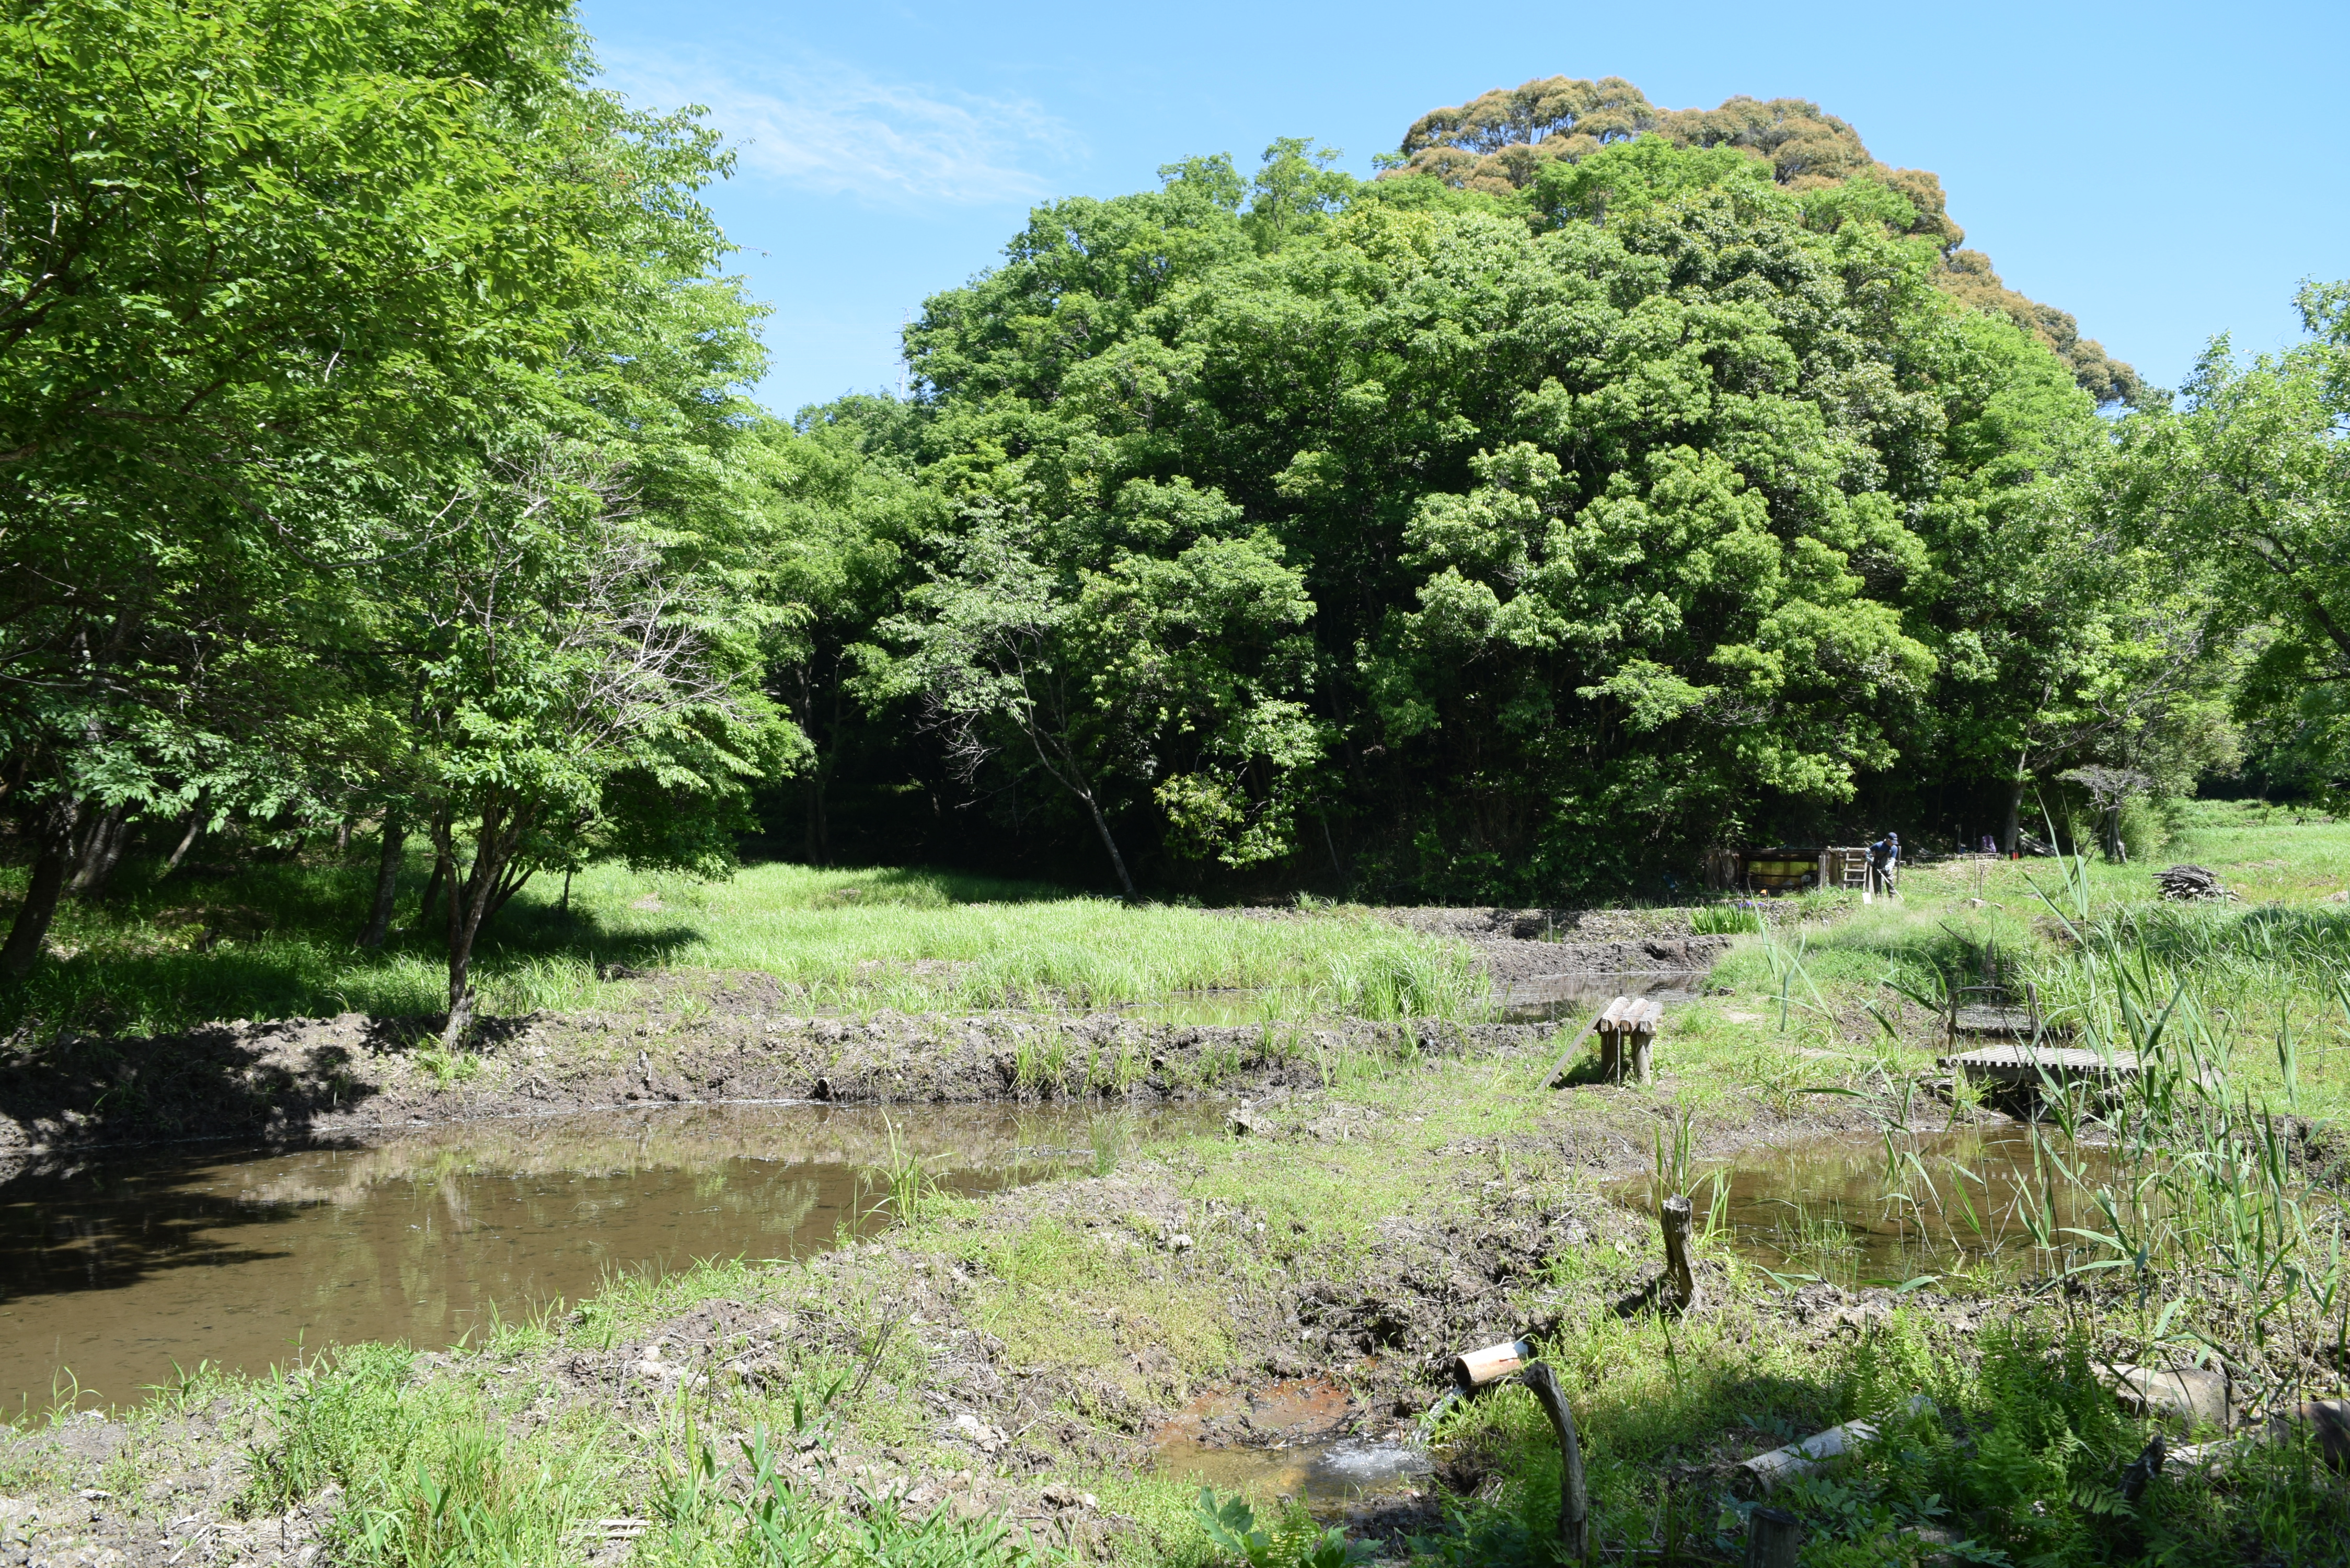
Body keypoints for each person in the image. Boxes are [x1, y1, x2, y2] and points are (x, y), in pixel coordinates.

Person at [1868, 831, 1901, 896]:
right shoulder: (1878, 845)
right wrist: (1870, 861)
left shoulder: (1894, 848)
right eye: (1892, 842)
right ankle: (1879, 900)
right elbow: (1867, 852)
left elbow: (1892, 860)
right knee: (1877, 886)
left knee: (1891, 885)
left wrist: (1888, 867)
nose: (1893, 844)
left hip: (1888, 869)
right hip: (1877, 867)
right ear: (1888, 840)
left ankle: (1893, 900)